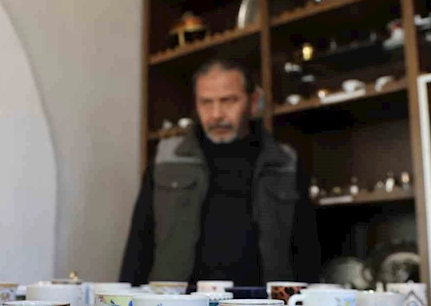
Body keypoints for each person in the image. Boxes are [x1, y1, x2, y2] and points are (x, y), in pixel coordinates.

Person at [119, 57, 319, 286]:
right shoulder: (167, 159)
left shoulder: (285, 163)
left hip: (262, 303)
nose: (216, 114)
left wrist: (310, 303)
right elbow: (139, 243)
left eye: (228, 101)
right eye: (206, 102)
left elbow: (305, 250)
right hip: (178, 302)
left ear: (253, 101)